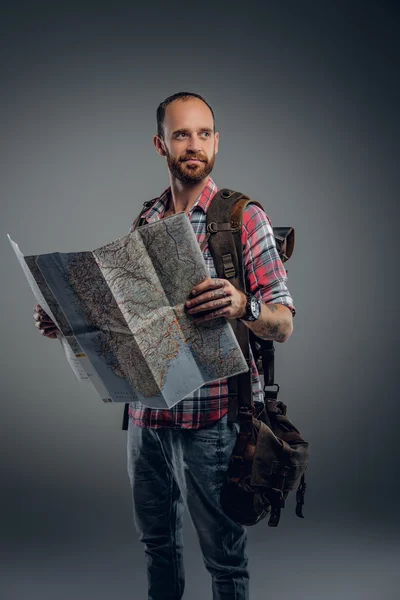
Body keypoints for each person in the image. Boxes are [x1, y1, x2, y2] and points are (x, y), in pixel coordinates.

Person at [33, 91, 296, 600]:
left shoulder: (243, 218)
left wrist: (245, 305)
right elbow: (127, 319)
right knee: (157, 545)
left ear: (216, 142)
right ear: (161, 144)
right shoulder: (146, 221)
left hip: (214, 419)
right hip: (146, 417)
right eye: (181, 134)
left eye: (202, 134)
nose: (192, 144)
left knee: (224, 556)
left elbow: (284, 323)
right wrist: (68, 324)